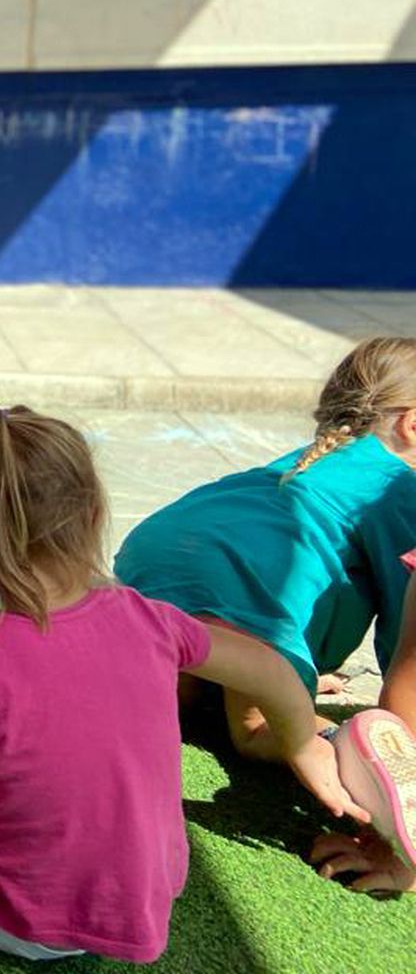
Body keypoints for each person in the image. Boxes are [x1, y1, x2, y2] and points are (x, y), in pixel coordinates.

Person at [0, 404, 367, 971]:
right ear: (95, 512)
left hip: (16, 922)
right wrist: (301, 743)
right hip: (146, 901)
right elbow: (271, 670)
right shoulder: (151, 619)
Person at [115, 336, 416, 892]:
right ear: (412, 424)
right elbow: (409, 647)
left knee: (179, 683)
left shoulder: (320, 457)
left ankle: (184, 683)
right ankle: (347, 749)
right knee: (256, 730)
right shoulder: (404, 485)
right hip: (247, 585)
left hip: (159, 556)